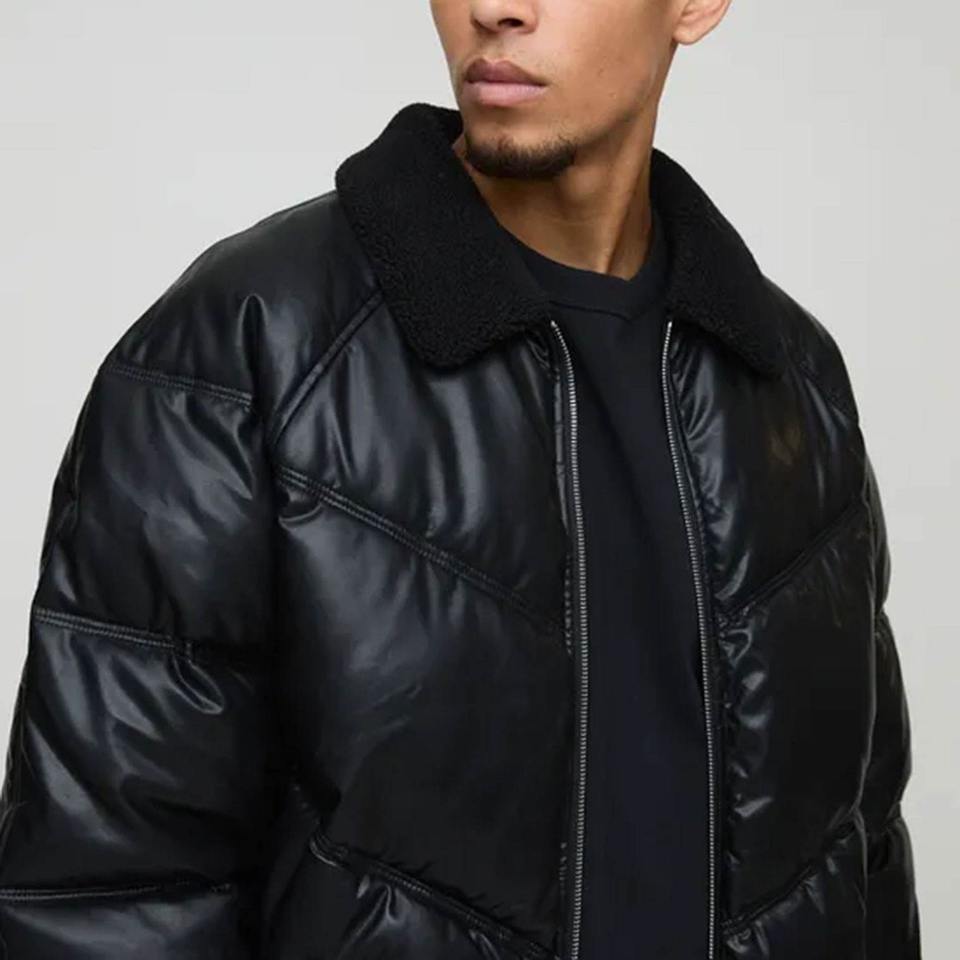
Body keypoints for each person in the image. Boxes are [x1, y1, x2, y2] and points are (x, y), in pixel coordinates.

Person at [0, 1, 920, 957]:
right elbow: (109, 890)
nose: (494, 7)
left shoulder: (794, 385)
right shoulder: (246, 348)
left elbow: (861, 855)